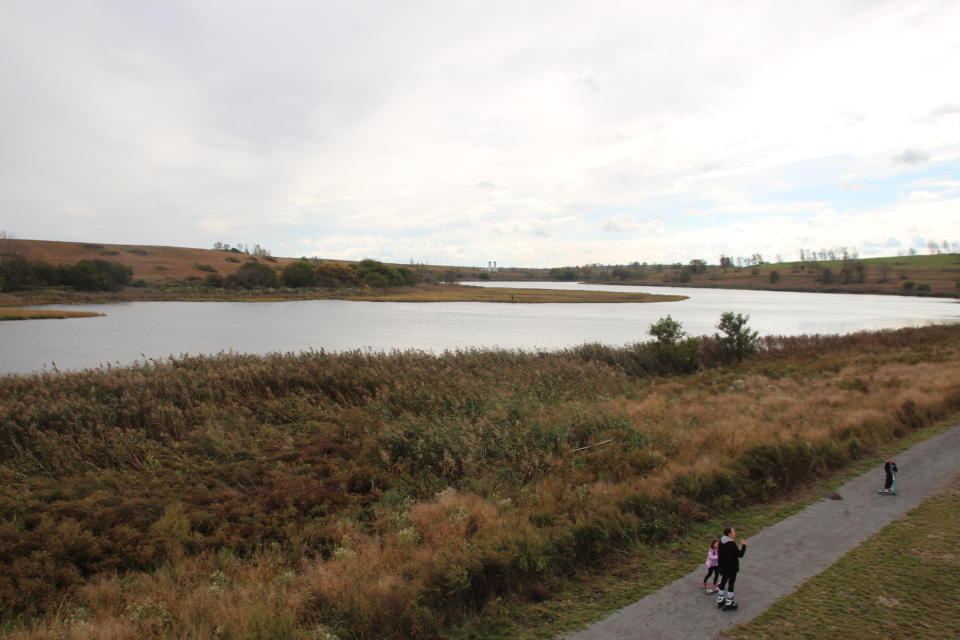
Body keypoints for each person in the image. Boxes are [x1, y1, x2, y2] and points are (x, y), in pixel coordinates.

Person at [716, 526, 747, 610]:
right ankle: (729, 603)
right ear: (729, 534)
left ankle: (720, 601)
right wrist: (744, 546)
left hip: (723, 567)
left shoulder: (721, 541)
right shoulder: (731, 544)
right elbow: (740, 554)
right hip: (731, 568)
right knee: (731, 584)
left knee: (722, 583)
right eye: (733, 532)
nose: (735, 533)